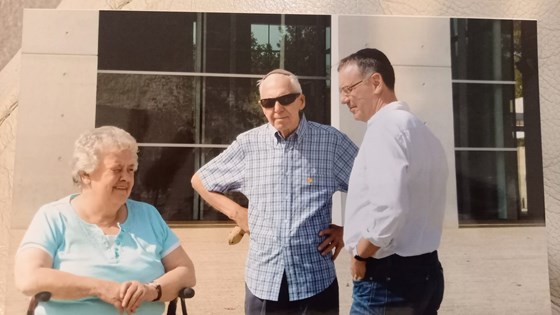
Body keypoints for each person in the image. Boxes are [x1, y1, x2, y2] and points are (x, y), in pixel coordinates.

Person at [191, 69, 358, 314]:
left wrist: (349, 229)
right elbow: (200, 180)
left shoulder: (332, 143)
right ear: (262, 108)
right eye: (268, 103)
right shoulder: (248, 144)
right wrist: (239, 214)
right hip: (264, 282)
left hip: (315, 282)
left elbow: (373, 190)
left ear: (301, 100)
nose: (277, 108)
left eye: (285, 99)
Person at [14, 126, 196, 315]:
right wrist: (100, 288)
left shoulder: (148, 216)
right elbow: (28, 278)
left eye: (130, 170)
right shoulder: (53, 217)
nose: (125, 178)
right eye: (117, 170)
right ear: (85, 174)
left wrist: (151, 290)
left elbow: (186, 271)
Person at [338, 48, 448, 314]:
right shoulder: (420, 130)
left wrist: (360, 255)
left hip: (387, 280)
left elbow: (390, 210)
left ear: (376, 82)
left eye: (349, 89)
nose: (344, 99)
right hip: (426, 273)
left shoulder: (385, 129)